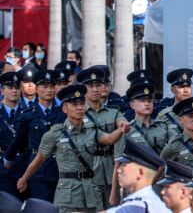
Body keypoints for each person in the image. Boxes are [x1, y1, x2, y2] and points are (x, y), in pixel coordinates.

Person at [17, 84, 127, 213]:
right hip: (67, 194)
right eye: (74, 104)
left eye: (82, 104)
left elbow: (109, 139)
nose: (79, 108)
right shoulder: (55, 134)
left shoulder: (92, 129)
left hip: (90, 190)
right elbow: (39, 159)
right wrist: (24, 178)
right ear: (64, 108)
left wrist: (121, 130)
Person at [5, 70, 65, 201]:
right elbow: (18, 141)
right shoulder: (28, 114)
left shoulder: (63, 113)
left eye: (51, 86)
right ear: (37, 89)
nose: (49, 90)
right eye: (45, 86)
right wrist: (8, 160)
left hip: (60, 167)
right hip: (38, 169)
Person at [78, 66, 130, 210]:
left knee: (114, 208)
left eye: (98, 85)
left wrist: (122, 126)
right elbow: (106, 139)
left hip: (111, 169)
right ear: (83, 88)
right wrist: (119, 130)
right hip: (89, 169)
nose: (95, 89)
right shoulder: (78, 113)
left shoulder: (113, 111)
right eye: (91, 86)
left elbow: (122, 121)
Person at [110, 78, 169, 205]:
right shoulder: (126, 131)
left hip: (160, 184)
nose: (147, 104)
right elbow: (118, 164)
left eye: (149, 101)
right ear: (132, 105)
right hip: (136, 185)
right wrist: (114, 193)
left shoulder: (163, 127)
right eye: (142, 101)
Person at [106, 139, 169, 213]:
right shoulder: (149, 201)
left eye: (124, 165)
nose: (119, 170)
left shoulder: (139, 205)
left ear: (140, 173)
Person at [156, 68, 193, 139]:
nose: (186, 90)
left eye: (188, 86)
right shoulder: (164, 115)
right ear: (172, 89)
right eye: (181, 87)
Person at [0, 71, 28, 199]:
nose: (14, 91)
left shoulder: (28, 112)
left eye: (17, 88)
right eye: (10, 88)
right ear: (2, 91)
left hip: (25, 165)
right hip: (3, 167)